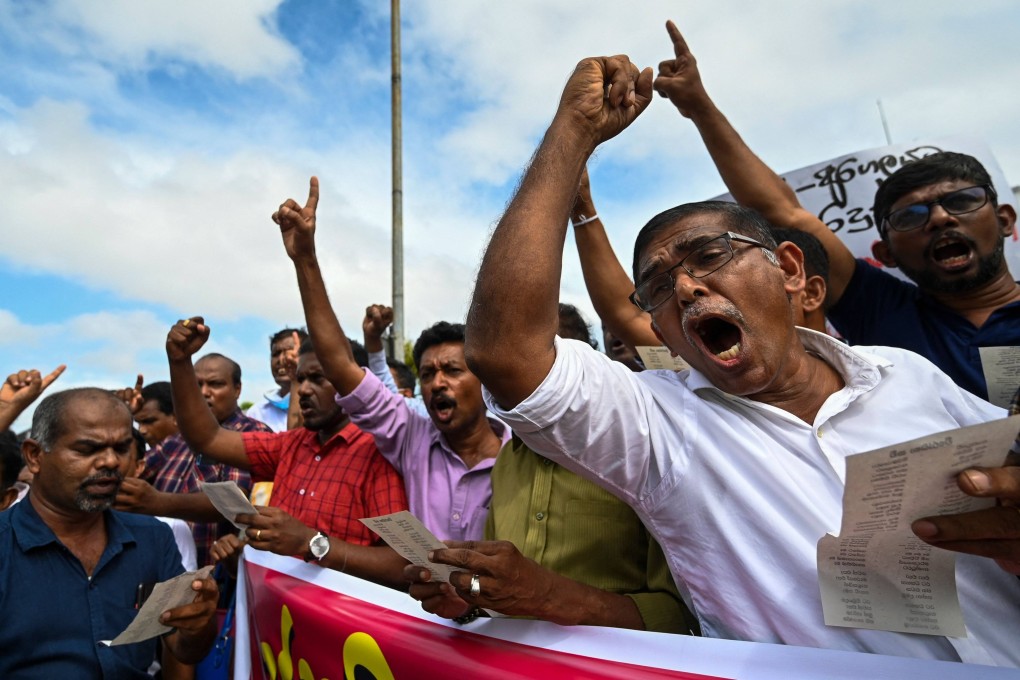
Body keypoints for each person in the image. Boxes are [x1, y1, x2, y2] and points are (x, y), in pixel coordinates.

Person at [460, 32, 1020, 665]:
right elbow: (506, 351)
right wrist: (571, 133)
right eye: (659, 288)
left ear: (788, 270)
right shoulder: (657, 428)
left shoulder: (909, 376)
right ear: (661, 332)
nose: (689, 285)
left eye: (710, 255)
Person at [653, 21, 1019, 400]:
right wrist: (699, 106)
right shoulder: (878, 310)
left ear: (1005, 218)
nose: (941, 218)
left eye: (960, 201)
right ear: (885, 253)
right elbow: (780, 212)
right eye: (911, 216)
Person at [405, 306, 698, 634]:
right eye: (503, 362)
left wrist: (550, 598)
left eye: (545, 362)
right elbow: (491, 598)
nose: (521, 376)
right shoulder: (506, 463)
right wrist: (465, 601)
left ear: (585, 365)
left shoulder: (646, 451)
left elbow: (686, 617)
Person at [273, 183, 510, 541]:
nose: (437, 383)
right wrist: (305, 259)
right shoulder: (411, 436)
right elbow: (340, 366)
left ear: (484, 381)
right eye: (428, 373)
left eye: (453, 370)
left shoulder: (521, 457)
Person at [166, 319, 411, 588]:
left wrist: (311, 543)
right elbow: (208, 439)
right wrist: (180, 362)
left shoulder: (379, 452)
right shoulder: (290, 445)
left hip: (343, 626)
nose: (303, 390)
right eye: (301, 378)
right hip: (275, 618)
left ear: (354, 382)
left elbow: (402, 565)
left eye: (318, 378)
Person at [0, 388, 218, 677]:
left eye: (121, 448)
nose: (111, 462)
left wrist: (200, 625)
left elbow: (183, 648)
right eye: (88, 449)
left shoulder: (153, 537)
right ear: (35, 456)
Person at [120, 352, 271, 567]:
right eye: (196, 384)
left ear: (237, 389)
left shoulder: (252, 434)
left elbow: (235, 506)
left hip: (214, 576)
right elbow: (129, 473)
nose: (204, 392)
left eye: (215, 384)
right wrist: (120, 417)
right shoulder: (177, 439)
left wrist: (156, 502)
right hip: (162, 569)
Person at [247, 328, 308, 432]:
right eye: (275, 354)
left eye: (290, 351)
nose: (281, 360)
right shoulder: (256, 412)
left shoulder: (321, 405)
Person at [134, 381, 180, 448]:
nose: (141, 431)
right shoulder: (149, 456)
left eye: (149, 422)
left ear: (176, 417)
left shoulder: (197, 452)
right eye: (139, 423)